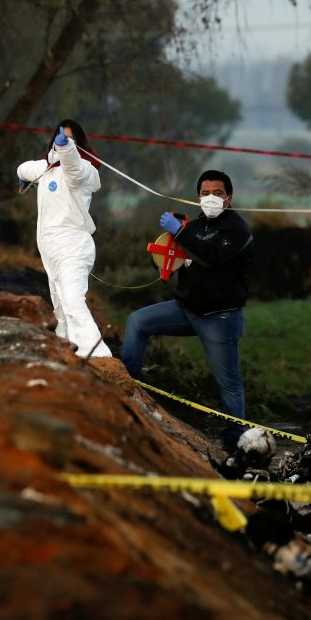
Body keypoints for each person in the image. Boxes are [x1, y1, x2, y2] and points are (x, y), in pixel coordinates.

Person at [121, 170, 254, 450]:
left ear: (228, 199)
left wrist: (179, 231)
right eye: (205, 193)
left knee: (229, 385)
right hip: (185, 309)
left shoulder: (236, 229)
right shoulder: (193, 227)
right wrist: (161, 260)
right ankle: (125, 388)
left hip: (220, 317)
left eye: (217, 193)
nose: (211, 198)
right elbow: (174, 258)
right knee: (137, 322)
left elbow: (210, 255)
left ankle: (235, 445)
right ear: (197, 197)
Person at [15, 120, 111, 358]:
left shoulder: (86, 170)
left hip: (74, 246)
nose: (66, 142)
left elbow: (73, 168)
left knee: (72, 301)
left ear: (80, 144)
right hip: (50, 249)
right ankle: (67, 352)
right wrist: (25, 176)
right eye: (61, 138)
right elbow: (23, 168)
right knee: (60, 308)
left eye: (71, 139)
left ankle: (98, 357)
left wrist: (66, 148)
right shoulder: (46, 168)